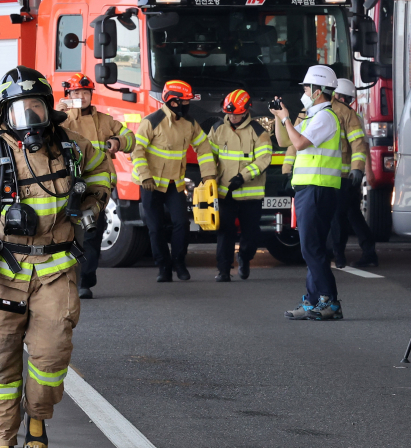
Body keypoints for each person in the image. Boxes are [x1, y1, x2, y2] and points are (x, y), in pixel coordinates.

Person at [0, 66, 110, 448]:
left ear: (48, 109)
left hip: (56, 270)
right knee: (2, 358)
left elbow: (101, 172)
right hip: (5, 270)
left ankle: (37, 417)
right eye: (20, 111)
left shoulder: (73, 147)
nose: (29, 120)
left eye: (35, 108)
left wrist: (91, 203)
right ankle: (3, 437)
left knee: (52, 356)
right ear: (5, 115)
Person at [270, 65, 345, 321]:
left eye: (306, 87)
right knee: (311, 248)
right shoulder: (312, 116)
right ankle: (314, 300)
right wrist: (279, 118)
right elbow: (284, 142)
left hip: (318, 188)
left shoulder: (325, 117)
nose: (303, 91)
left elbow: (299, 143)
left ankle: (329, 301)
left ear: (317, 91)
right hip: (308, 189)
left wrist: (287, 119)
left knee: (311, 248)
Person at [55, 73, 135, 298]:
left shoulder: (105, 120)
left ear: (91, 95)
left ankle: (84, 282)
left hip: (96, 188)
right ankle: (65, 280)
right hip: (67, 184)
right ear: (69, 95)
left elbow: (130, 137)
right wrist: (56, 114)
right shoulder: (62, 118)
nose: (81, 97)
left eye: (85, 92)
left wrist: (117, 142)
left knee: (91, 234)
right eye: (76, 93)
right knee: (65, 233)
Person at [131, 80, 216, 282]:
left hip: (174, 183)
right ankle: (163, 267)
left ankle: (179, 262)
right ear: (173, 102)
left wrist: (208, 174)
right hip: (150, 184)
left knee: (181, 224)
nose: (188, 105)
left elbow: (203, 147)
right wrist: (145, 176)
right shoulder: (151, 122)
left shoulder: (190, 124)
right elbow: (137, 151)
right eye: (184, 101)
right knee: (155, 227)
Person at [208, 89, 272, 282]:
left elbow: (263, 160)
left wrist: (242, 177)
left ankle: (244, 256)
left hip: (250, 195)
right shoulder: (218, 129)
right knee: (224, 232)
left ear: (245, 111)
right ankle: (223, 270)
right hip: (224, 192)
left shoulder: (259, 132)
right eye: (229, 113)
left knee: (251, 236)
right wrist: (208, 177)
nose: (232, 117)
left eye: (236, 113)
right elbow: (208, 156)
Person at [328, 78, 376, 268]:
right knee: (352, 214)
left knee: (339, 216)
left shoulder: (349, 115)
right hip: (346, 175)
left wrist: (366, 171)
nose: (345, 102)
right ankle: (369, 251)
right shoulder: (339, 113)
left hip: (345, 177)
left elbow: (361, 145)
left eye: (348, 99)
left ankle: (339, 255)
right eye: (343, 98)